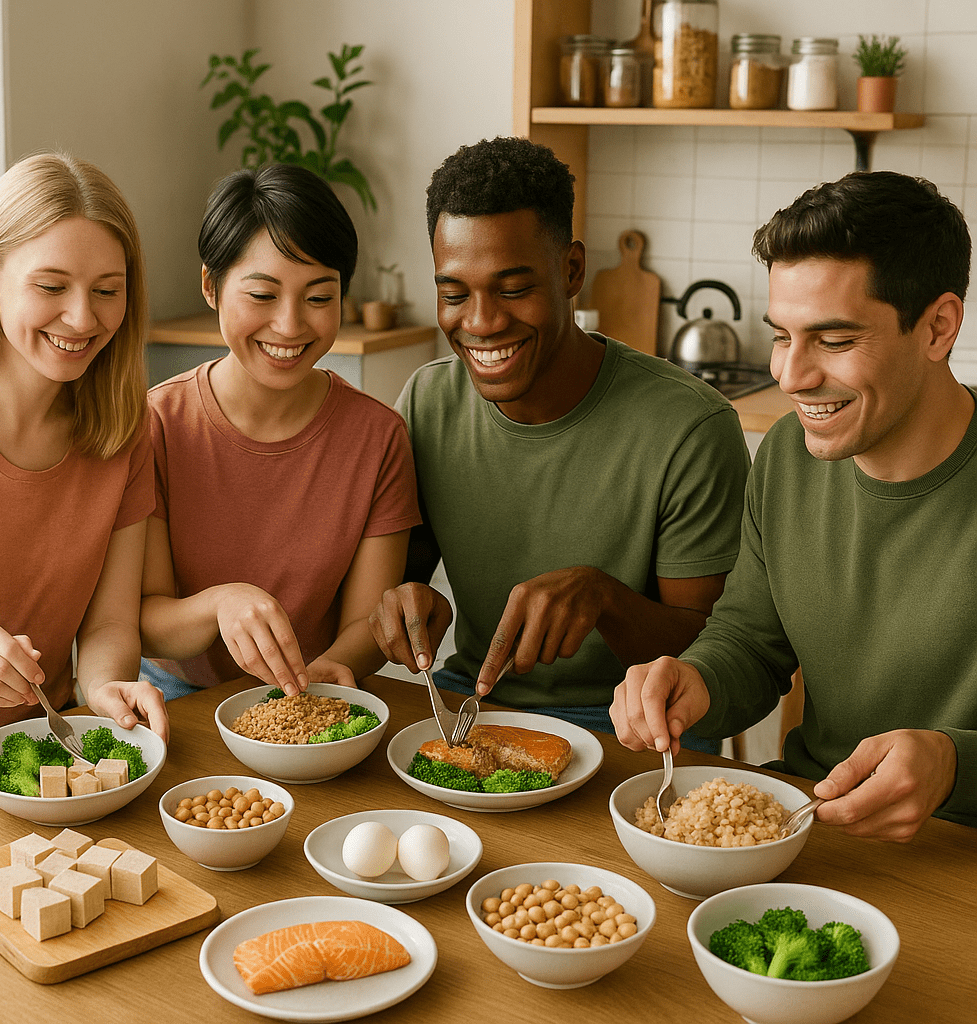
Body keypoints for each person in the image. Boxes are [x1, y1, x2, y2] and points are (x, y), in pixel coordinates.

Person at [610, 170, 976, 840]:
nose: (791, 375)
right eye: (783, 335)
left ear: (938, 327)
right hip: (811, 823)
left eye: (834, 340)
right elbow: (751, 641)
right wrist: (696, 681)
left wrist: (956, 763)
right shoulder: (787, 454)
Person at [369, 136, 750, 741]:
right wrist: (403, 604)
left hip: (631, 726)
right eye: (453, 293)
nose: (482, 321)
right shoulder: (427, 403)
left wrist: (606, 599)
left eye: (514, 289)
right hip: (474, 705)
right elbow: (398, 580)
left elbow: (715, 650)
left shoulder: (690, 428)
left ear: (571, 271)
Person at [139, 164, 420, 694]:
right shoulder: (157, 425)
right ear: (211, 286)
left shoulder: (378, 437)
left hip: (314, 692)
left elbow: (365, 622)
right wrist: (220, 603)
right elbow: (146, 622)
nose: (290, 326)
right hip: (175, 697)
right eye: (263, 296)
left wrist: (333, 669)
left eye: (318, 297)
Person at [0, 152, 168, 746]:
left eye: (107, 290)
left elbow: (110, 623)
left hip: (49, 740)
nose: (81, 317)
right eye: (51, 286)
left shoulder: (123, 430)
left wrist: (104, 689)